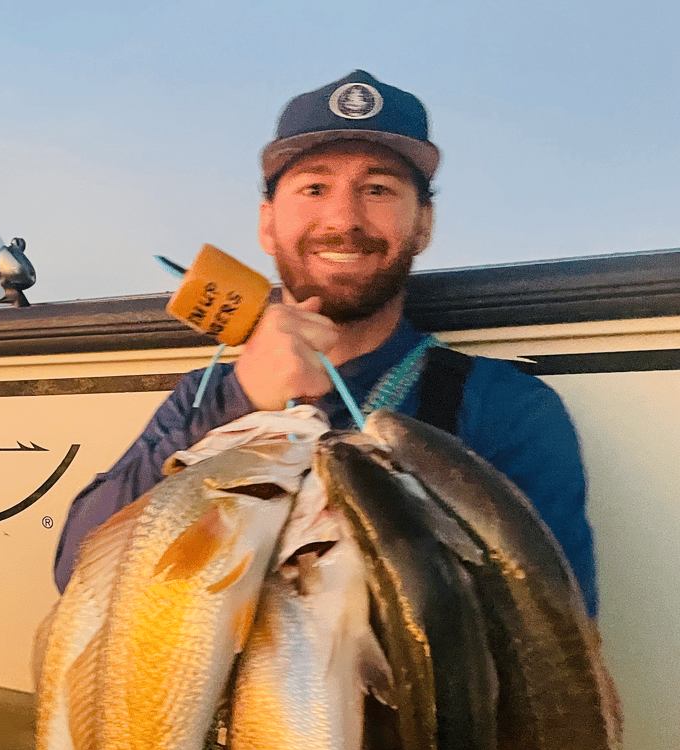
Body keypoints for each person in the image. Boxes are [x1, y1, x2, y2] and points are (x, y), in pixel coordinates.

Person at [53, 68, 597, 619]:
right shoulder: (204, 398)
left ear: (423, 224)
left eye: (378, 189)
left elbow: (557, 647)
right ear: (267, 224)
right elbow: (76, 573)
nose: (343, 218)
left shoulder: (506, 410)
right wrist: (238, 401)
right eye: (314, 187)